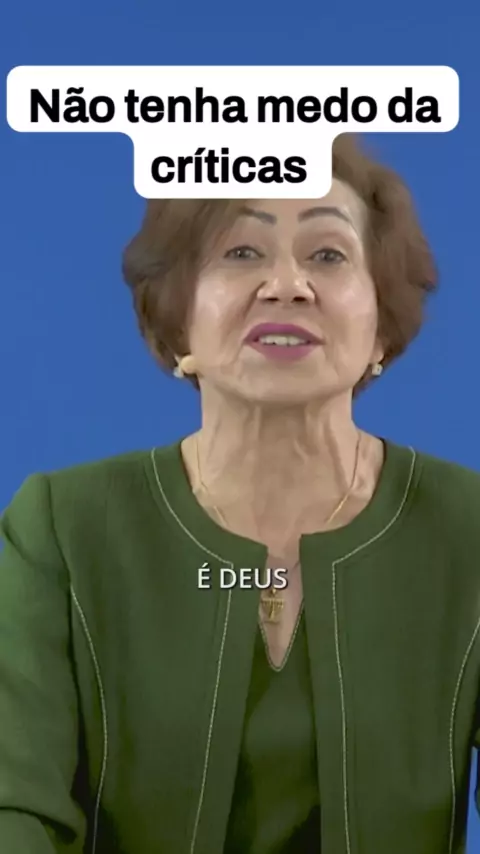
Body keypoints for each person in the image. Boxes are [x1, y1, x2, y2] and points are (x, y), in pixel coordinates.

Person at [0, 134, 479, 854]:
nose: (287, 285)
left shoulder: (467, 529)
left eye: (328, 255)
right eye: (242, 252)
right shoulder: (62, 529)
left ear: (381, 323)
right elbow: (13, 810)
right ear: (178, 316)